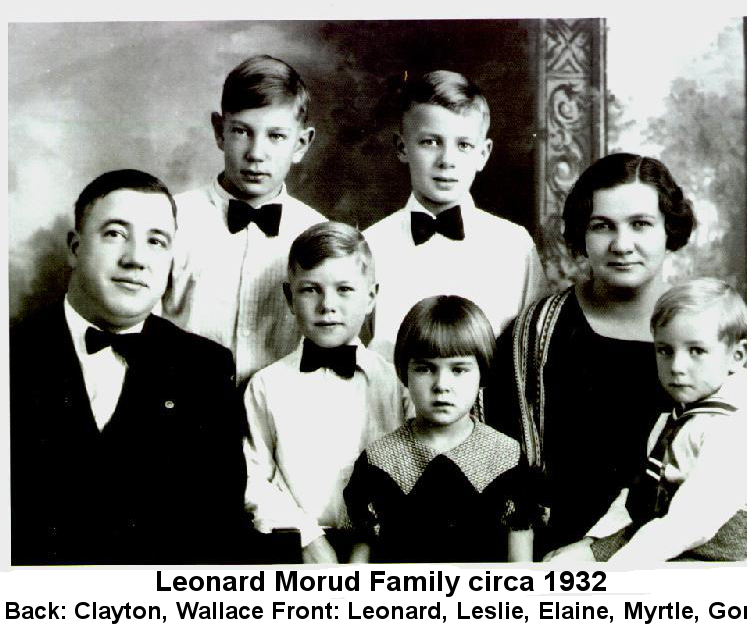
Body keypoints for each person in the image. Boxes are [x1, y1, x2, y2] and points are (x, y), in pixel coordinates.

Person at [10, 170, 271, 565]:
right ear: (74, 247)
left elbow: (218, 535)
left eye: (156, 241)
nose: (135, 259)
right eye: (115, 234)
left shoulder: (204, 369)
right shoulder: (13, 354)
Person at [484, 153, 697, 559]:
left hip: (683, 567)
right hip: (551, 567)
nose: (622, 245)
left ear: (669, 229)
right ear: (582, 232)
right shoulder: (535, 334)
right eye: (603, 226)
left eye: (641, 224)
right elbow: (499, 470)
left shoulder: (714, 331)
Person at [544, 278, 747, 562]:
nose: (677, 367)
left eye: (696, 351)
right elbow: (640, 497)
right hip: (678, 526)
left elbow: (692, 521)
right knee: (563, 562)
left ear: (737, 356)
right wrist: (592, 543)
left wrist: (613, 570)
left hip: (729, 536)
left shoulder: (735, 427)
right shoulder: (674, 418)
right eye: (665, 350)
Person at [244, 221, 407, 563]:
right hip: (293, 549)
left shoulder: (394, 382)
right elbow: (253, 477)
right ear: (289, 297)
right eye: (310, 290)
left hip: (383, 549)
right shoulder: (266, 386)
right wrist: (307, 538)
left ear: (371, 297)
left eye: (344, 289)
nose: (327, 305)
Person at [162, 54, 325, 385]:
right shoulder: (171, 221)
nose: (256, 153)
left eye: (276, 136)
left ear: (302, 143)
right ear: (220, 132)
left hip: (279, 417)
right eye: (242, 132)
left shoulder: (317, 235)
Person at [363, 70, 547, 361]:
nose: (447, 161)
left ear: (483, 154)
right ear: (402, 148)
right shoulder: (370, 245)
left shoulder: (514, 245)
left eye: (463, 145)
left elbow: (534, 350)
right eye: (430, 142)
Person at [344, 296, 536, 563]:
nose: (441, 385)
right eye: (425, 369)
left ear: (483, 373)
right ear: (403, 373)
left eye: (458, 370)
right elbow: (360, 560)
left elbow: (521, 563)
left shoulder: (506, 457)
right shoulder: (379, 460)